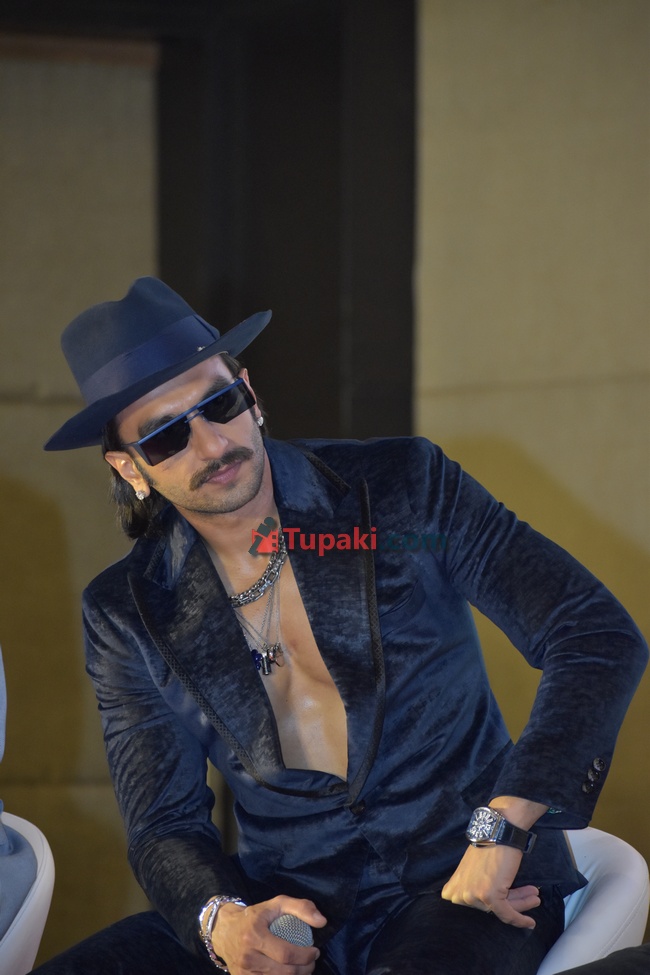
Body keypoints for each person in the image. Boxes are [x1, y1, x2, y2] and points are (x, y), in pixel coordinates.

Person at [35, 276, 647, 975]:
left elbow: (594, 633)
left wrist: (504, 822)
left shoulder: (401, 490)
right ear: (130, 468)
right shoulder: (126, 610)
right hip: (287, 904)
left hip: (468, 884)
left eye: (219, 404)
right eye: (167, 435)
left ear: (249, 393)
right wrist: (221, 921)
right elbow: (163, 824)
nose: (211, 444)